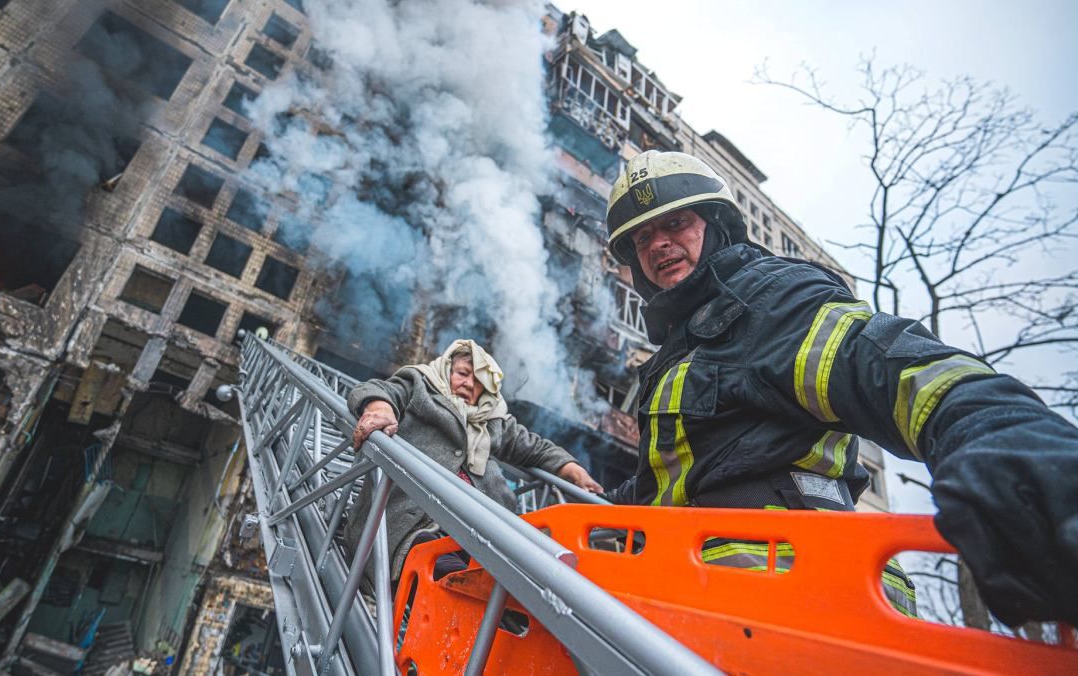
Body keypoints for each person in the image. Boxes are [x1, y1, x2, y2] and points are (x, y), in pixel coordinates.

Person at [600, 149, 1078, 627]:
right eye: (643, 237)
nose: (659, 244)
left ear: (716, 223)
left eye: (676, 223)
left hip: (797, 595)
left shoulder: (769, 301)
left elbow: (880, 363)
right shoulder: (677, 354)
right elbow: (694, 476)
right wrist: (602, 499)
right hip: (709, 598)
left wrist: (996, 435)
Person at [345, 339, 602, 583]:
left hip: (482, 531)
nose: (469, 384)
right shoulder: (420, 384)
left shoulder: (493, 418)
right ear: (447, 369)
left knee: (534, 582)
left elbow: (535, 448)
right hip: (417, 523)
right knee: (451, 578)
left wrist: (573, 470)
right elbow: (376, 389)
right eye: (463, 373)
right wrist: (380, 409)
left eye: (478, 380)